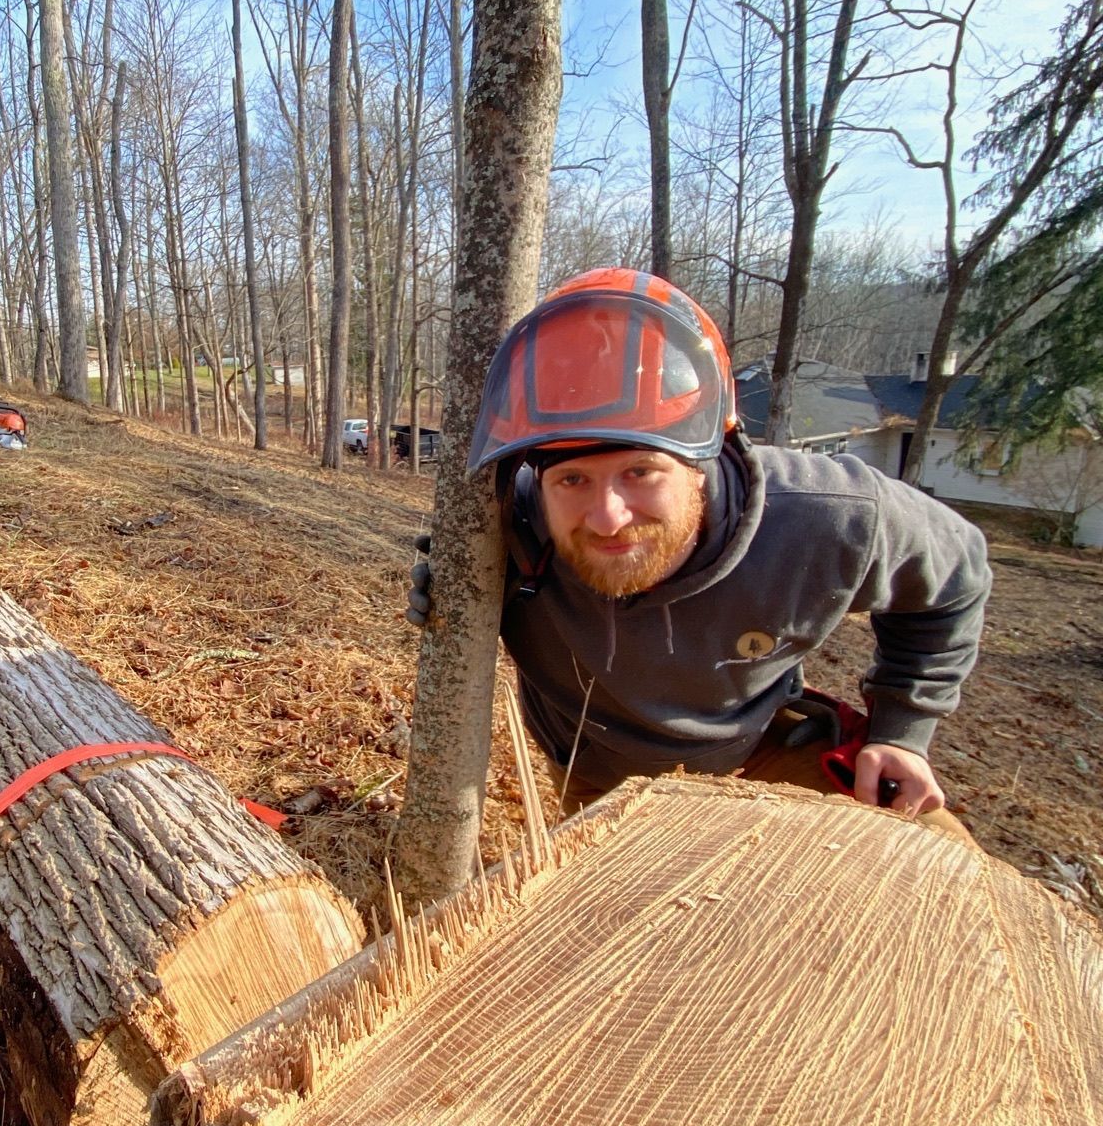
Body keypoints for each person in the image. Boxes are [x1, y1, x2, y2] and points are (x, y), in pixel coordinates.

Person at [408, 269, 991, 841]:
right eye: (574, 481)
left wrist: (902, 730)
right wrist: (458, 589)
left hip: (758, 753)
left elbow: (957, 574)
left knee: (937, 864)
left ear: (702, 461)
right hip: (597, 779)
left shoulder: (826, 517)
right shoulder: (506, 530)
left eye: (641, 472)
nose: (609, 516)